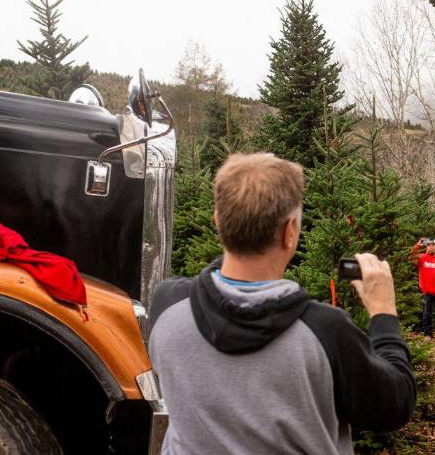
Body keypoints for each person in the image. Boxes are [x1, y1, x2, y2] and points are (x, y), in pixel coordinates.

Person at [147, 153, 415, 455]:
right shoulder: (325, 331)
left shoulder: (166, 304)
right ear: (290, 232)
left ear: (217, 222)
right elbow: (394, 405)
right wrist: (383, 313)